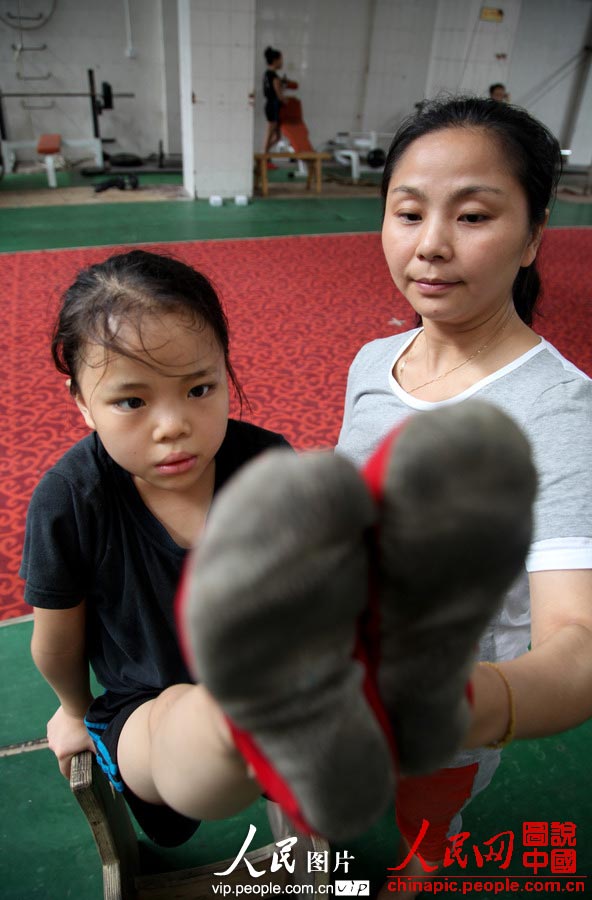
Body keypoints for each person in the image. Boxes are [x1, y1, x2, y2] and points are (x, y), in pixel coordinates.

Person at [336, 96, 592, 895]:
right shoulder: (375, 361)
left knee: (425, 807)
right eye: (408, 213)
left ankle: (423, 861)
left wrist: (462, 700)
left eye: (473, 215)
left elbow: (577, 648)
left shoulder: (556, 411)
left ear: (534, 236)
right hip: (331, 668)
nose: (431, 247)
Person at [20, 249, 291, 846]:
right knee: (202, 759)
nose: (173, 425)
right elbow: (56, 639)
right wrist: (71, 709)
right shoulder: (70, 499)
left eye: (199, 388)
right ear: (82, 403)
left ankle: (290, 813)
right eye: (132, 402)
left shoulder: (269, 465)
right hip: (143, 707)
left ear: (226, 370)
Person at [262, 46, 287, 164]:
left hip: (270, 105)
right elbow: (279, 95)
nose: (282, 62)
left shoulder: (267, 74)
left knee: (277, 137)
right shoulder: (274, 77)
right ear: (275, 60)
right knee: (270, 134)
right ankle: (264, 158)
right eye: (281, 60)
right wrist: (285, 101)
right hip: (273, 106)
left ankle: (265, 155)